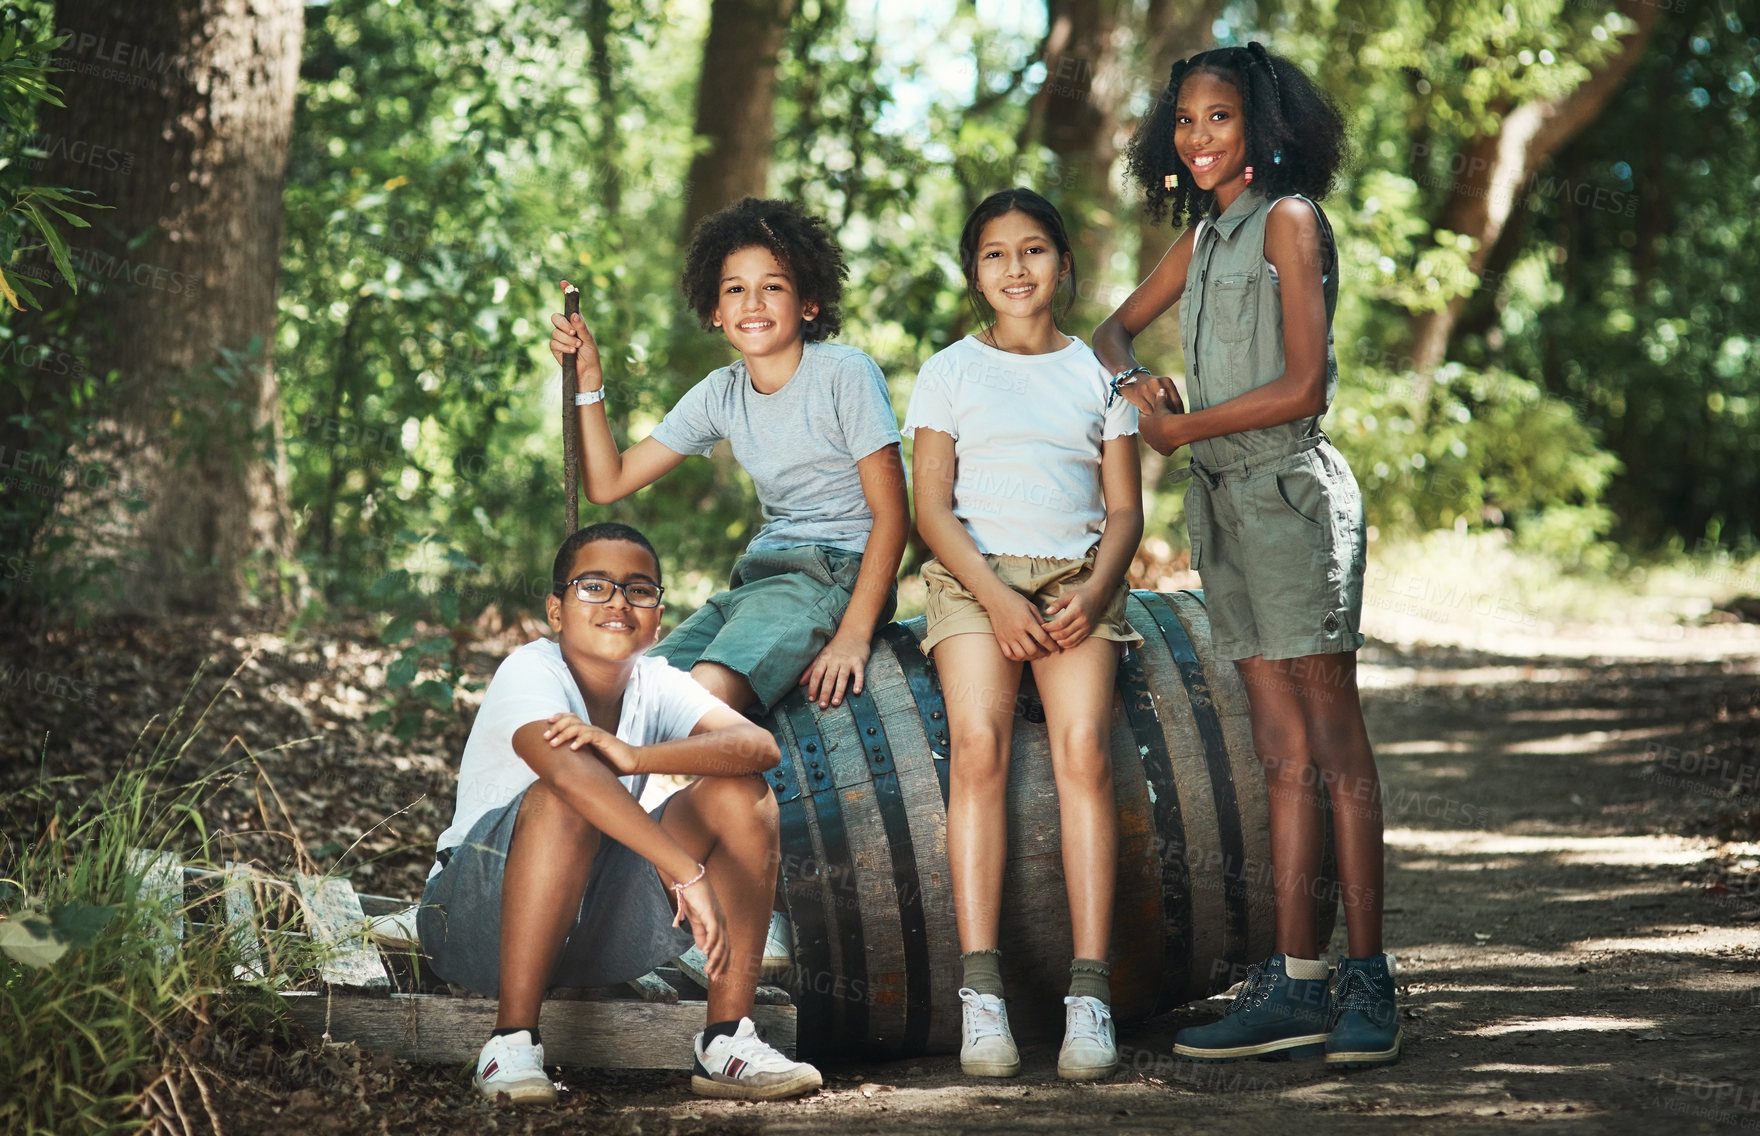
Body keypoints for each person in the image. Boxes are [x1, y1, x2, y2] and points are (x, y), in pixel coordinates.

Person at [1095, 42, 1399, 1067]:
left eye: (1216, 118)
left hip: (1286, 496)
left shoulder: (1286, 218)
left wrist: (1183, 429)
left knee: (1332, 746)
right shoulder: (1205, 233)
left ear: (1261, 127)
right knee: (1277, 753)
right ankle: (1294, 978)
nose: (1196, 138)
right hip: (1222, 503)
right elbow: (1109, 330)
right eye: (1183, 121)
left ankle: (1367, 978)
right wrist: (1143, 388)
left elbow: (1306, 383)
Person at [416, 522, 823, 1103]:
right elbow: (569, 776)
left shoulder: (654, 682)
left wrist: (637, 754)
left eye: (638, 589)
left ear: (657, 615)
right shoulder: (530, 671)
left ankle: (727, 1040)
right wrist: (686, 871)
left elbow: (758, 747)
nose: (617, 602)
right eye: (594, 587)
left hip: (591, 933)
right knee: (569, 793)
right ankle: (510, 1043)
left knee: (743, 793)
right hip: (473, 921)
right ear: (556, 610)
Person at [904, 187, 1144, 1081]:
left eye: (1034, 249)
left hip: (1078, 579)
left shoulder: (1099, 375)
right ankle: (983, 995)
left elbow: (1124, 509)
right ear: (975, 273)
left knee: (1084, 750)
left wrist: (1098, 587)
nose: (1016, 268)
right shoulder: (949, 371)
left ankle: (1090, 995)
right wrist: (997, 600)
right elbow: (931, 508)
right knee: (977, 748)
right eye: (996, 254)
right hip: (975, 579)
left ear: (1064, 265)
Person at [549, 197, 908, 717]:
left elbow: (894, 514)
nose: (753, 303)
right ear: (716, 312)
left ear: (808, 303)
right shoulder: (722, 391)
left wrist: (853, 635)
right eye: (735, 289)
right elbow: (608, 482)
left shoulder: (844, 374)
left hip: (835, 573)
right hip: (760, 578)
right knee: (631, 691)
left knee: (702, 695)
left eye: (773, 286)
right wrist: (589, 382)